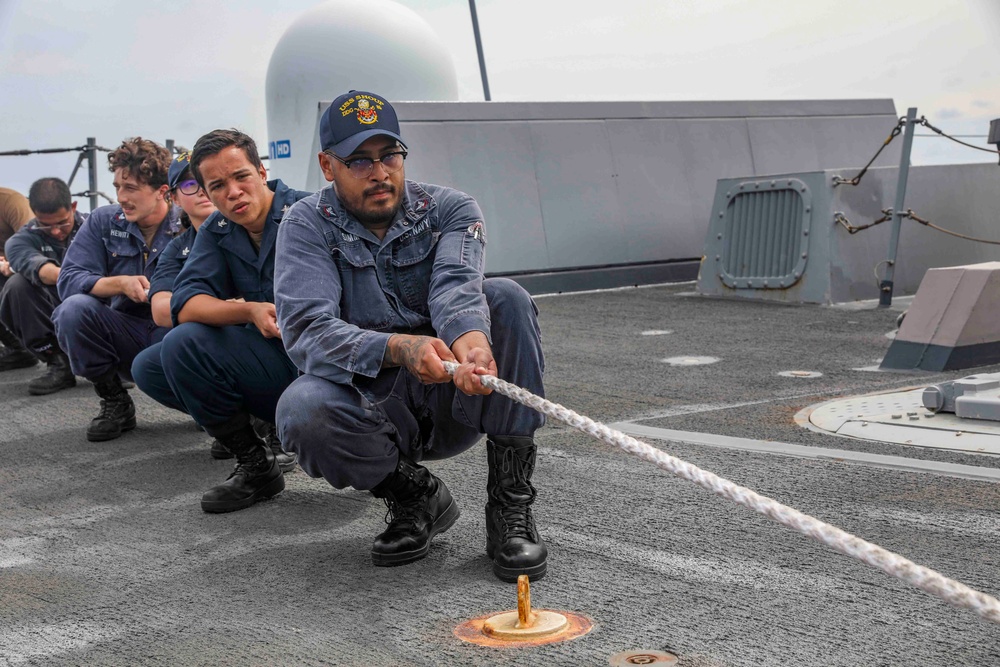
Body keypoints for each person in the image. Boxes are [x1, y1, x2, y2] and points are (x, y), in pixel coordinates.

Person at [274, 91, 548, 582]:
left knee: (506, 297)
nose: (379, 172)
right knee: (300, 409)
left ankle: (509, 505)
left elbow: (456, 287)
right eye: (359, 160)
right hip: (378, 406)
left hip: (456, 398)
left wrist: (473, 346)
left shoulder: (451, 208)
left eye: (389, 156)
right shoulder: (304, 224)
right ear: (327, 166)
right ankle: (413, 496)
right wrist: (399, 347)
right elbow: (306, 329)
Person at [131, 129, 307, 513]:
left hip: (331, 362)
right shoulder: (217, 229)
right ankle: (255, 462)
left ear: (262, 172)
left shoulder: (311, 212)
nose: (233, 192)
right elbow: (184, 305)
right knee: (173, 350)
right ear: (207, 195)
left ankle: (402, 482)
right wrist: (249, 310)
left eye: (241, 177)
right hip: (274, 360)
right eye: (218, 186)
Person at [52, 137, 181, 441]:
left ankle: (217, 409)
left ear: (163, 192)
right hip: (124, 328)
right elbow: (68, 279)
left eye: (131, 188)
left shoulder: (188, 225)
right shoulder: (103, 221)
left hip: (176, 331)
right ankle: (114, 400)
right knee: (72, 311)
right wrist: (119, 284)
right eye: (118, 187)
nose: (121, 197)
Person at [0, 178, 87, 394]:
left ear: (73, 207)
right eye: (46, 225)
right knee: (17, 286)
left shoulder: (95, 227)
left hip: (97, 304)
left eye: (62, 223)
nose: (56, 231)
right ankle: (57, 362)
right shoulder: (20, 240)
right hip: (55, 298)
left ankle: (111, 361)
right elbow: (44, 272)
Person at [0, 186, 36, 371]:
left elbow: (33, 246)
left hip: (23, 268)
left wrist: (8, 262)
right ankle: (17, 349)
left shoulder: (11, 202)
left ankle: (23, 347)